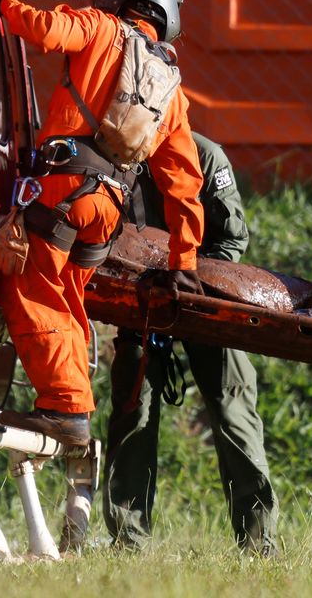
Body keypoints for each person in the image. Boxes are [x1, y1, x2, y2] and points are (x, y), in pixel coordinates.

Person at [0, 0, 205, 446]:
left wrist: (6, 4)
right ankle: (69, 405)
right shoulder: (172, 90)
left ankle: (66, 408)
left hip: (62, 192)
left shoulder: (100, 28)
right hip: (106, 211)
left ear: (125, 0)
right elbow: (185, 183)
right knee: (65, 300)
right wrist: (183, 261)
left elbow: (45, 31)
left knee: (31, 289)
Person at [104, 133, 278, 556]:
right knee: (133, 409)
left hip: (207, 299)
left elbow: (232, 241)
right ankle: (129, 543)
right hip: (141, 299)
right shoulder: (110, 153)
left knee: (233, 407)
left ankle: (258, 543)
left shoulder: (204, 156)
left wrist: (193, 288)